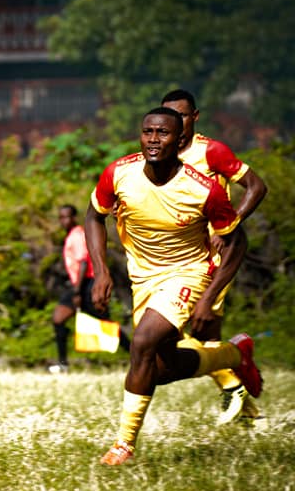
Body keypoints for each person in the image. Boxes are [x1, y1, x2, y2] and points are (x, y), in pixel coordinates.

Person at [86, 107, 261, 466]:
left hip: (188, 273)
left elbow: (236, 243)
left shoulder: (204, 189)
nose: (153, 139)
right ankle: (232, 355)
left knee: (142, 342)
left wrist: (208, 297)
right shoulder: (119, 173)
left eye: (162, 133)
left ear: (180, 140)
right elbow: (94, 216)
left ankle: (123, 445)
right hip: (142, 277)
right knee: (157, 370)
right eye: (148, 131)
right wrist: (101, 271)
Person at [161, 88, 268, 424]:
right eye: (169, 116)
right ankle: (247, 408)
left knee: (172, 329)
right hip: (178, 255)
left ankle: (233, 379)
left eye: (181, 115)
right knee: (207, 338)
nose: (174, 122)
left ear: (194, 117)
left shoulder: (212, 151)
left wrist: (227, 228)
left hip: (211, 256)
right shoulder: (161, 153)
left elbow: (256, 186)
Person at [50, 204, 130, 373]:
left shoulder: (78, 235)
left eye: (67, 216)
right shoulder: (71, 236)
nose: (64, 220)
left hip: (87, 285)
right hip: (78, 285)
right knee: (58, 318)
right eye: (61, 217)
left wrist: (77, 291)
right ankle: (63, 363)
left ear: (74, 217)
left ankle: (135, 356)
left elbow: (84, 263)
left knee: (105, 323)